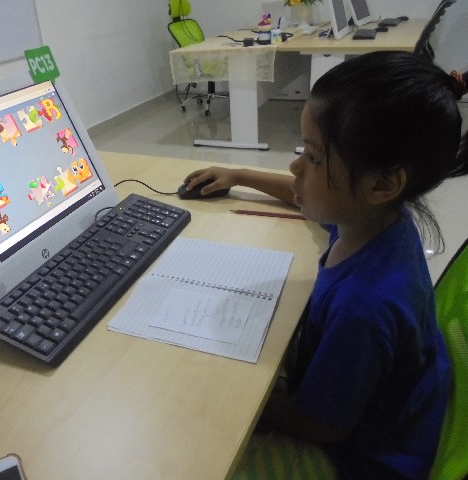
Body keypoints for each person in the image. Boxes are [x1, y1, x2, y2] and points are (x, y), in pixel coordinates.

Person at [183, 51, 468, 479]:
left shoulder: (364, 306)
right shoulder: (376, 221)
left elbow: (324, 425)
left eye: (314, 157)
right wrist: (239, 175)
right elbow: (305, 194)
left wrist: (241, 398)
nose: (295, 166)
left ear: (382, 184)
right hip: (386, 411)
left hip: (365, 459)